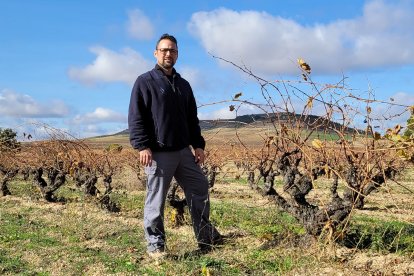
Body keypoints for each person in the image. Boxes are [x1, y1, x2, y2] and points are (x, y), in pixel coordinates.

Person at [128, 33, 222, 258]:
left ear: (177, 54)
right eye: (164, 50)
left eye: (173, 50)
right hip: (159, 153)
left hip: (183, 152)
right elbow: (136, 116)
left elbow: (192, 119)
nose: (168, 53)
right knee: (156, 200)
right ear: (156, 53)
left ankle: (206, 237)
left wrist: (198, 145)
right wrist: (142, 146)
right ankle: (156, 246)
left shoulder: (184, 85)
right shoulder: (144, 81)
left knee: (199, 188)